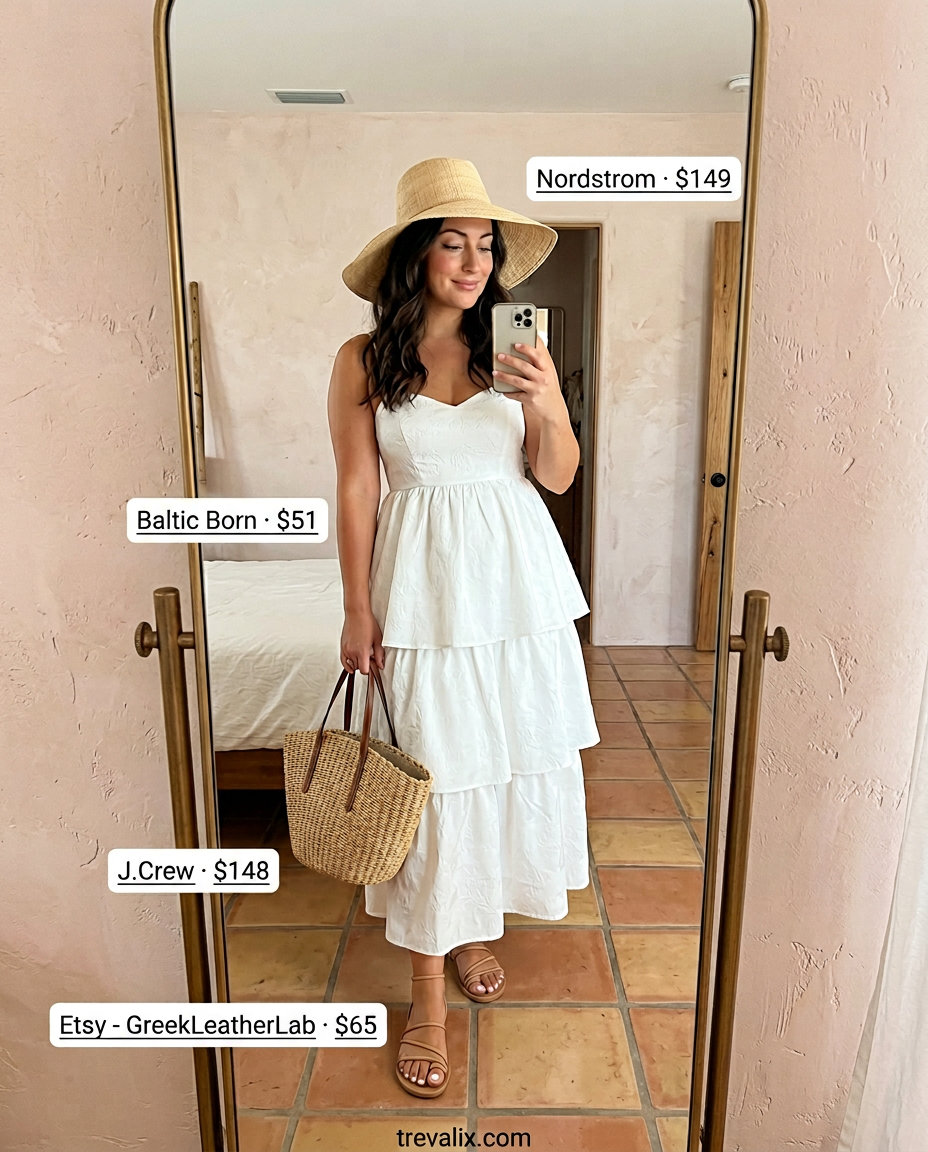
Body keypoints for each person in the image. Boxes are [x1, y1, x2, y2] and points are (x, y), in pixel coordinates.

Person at [327, 157, 600, 1098]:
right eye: (453, 241)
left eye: (486, 246)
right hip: (422, 592)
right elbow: (359, 485)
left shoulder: (515, 350)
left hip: (517, 590)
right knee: (436, 782)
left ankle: (479, 921)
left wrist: (549, 401)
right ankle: (427, 1001)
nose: (474, 261)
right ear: (416, 254)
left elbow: (556, 475)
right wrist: (358, 606)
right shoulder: (364, 360)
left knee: (506, 760)